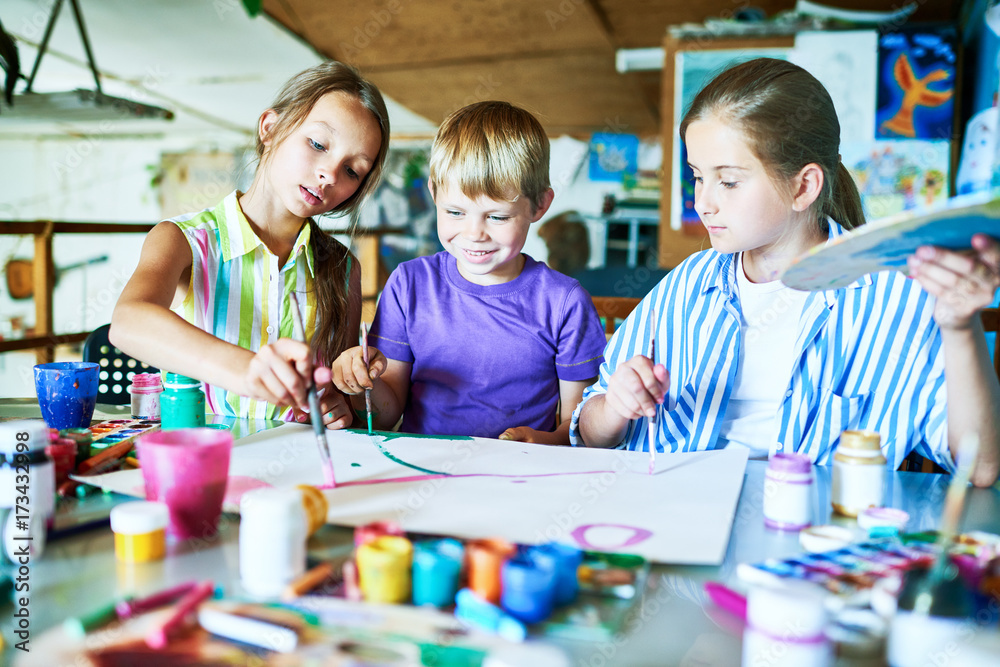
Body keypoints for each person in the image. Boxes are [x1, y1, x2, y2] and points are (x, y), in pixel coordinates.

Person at [572, 58, 1000, 487]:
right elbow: (590, 434)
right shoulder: (686, 284)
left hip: (809, 537)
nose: (704, 202)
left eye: (729, 181)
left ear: (803, 187)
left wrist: (959, 328)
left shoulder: (895, 297)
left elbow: (981, 468)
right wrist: (614, 406)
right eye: (698, 177)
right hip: (671, 515)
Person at [111, 61, 390, 426]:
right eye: (318, 143)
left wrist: (338, 401)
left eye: (352, 170)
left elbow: (334, 390)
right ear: (270, 129)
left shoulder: (343, 269)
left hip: (298, 467)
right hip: (202, 460)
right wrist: (248, 372)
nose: (329, 174)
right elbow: (129, 322)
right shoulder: (184, 240)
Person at [332, 101, 607, 444]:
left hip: (521, 476)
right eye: (455, 212)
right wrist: (361, 386)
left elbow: (581, 428)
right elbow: (387, 417)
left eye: (497, 217)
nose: (475, 233)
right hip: (423, 471)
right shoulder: (409, 284)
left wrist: (543, 441)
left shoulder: (564, 302)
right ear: (434, 194)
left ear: (539, 205)